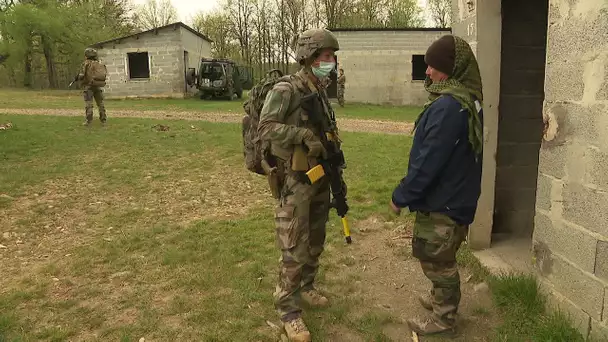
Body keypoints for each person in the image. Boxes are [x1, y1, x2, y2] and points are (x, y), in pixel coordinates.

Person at [389, 34, 484, 336]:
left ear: (450, 69)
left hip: (444, 200)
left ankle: (444, 318)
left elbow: (429, 161)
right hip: (456, 195)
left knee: (437, 260)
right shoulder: (467, 99)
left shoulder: (449, 107)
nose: (427, 72)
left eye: (433, 66)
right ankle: (438, 300)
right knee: (442, 254)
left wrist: (402, 194)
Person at [258, 28, 344, 342]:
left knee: (315, 239)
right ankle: (289, 312)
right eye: (326, 56)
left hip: (319, 176)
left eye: (333, 57)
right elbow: (266, 128)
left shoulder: (319, 90)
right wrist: (302, 136)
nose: (331, 62)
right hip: (294, 181)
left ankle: (307, 287)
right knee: (293, 246)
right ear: (308, 57)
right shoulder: (287, 88)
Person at [77, 47, 107, 126]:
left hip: (88, 86)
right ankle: (103, 120)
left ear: (86, 55)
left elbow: (82, 75)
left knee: (89, 103)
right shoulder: (98, 63)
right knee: (100, 103)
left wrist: (78, 77)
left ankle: (88, 121)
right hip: (97, 85)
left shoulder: (86, 63)